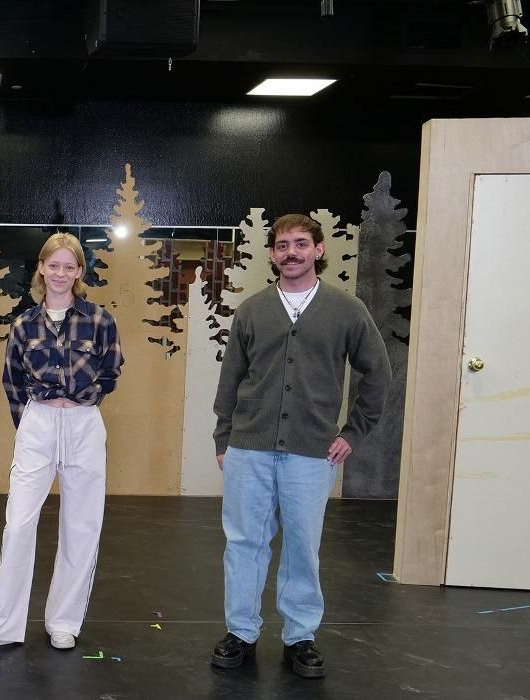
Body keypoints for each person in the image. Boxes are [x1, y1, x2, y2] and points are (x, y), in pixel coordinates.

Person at [209, 213, 390, 678]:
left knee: (303, 547)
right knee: (244, 543)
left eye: (300, 244)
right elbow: (230, 379)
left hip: (311, 451)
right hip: (248, 447)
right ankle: (241, 633)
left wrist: (353, 432)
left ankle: (300, 636)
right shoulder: (252, 310)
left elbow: (378, 373)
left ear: (319, 250)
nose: (291, 252)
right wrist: (223, 437)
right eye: (282, 245)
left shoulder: (346, 310)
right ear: (272, 253)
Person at [0, 232, 123, 653]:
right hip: (38, 422)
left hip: (85, 424)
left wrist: (83, 402)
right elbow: (12, 381)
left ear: (79, 272)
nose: (61, 273)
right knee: (18, 524)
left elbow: (111, 371)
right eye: (54, 265)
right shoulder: (24, 325)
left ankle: (64, 621)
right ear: (41, 268)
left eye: (70, 266)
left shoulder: (100, 320)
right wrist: (32, 424)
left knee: (82, 524)